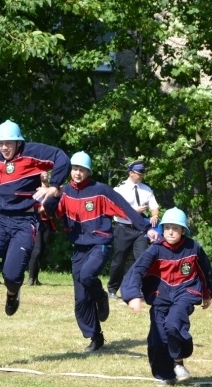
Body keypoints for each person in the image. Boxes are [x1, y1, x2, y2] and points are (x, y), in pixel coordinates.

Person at [0, 120, 70, 335]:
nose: (4, 147)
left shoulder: (33, 152)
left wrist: (53, 185)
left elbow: (62, 158)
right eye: (0, 143)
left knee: (12, 274)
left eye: (9, 143)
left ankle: (13, 293)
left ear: (18, 142)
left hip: (24, 221)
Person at [53, 151, 158, 352]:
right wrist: (50, 194)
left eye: (82, 169)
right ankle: (95, 337)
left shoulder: (100, 190)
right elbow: (52, 213)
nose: (77, 173)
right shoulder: (64, 191)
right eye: (74, 169)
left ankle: (101, 297)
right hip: (79, 247)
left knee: (87, 275)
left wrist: (146, 227)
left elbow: (124, 209)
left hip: (99, 243)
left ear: (88, 171)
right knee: (81, 298)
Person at [121, 208, 212, 384]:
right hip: (160, 296)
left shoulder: (193, 247)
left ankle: (178, 362)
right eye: (168, 227)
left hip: (185, 293)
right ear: (163, 229)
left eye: (176, 228)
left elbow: (205, 271)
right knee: (158, 338)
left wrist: (207, 294)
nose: (171, 231)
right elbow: (137, 270)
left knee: (173, 324)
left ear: (183, 230)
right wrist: (133, 294)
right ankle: (166, 375)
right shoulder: (155, 250)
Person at [106, 160, 160, 298]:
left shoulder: (146, 189)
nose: (141, 175)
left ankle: (138, 288)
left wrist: (154, 216)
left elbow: (154, 206)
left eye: (143, 173)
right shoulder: (119, 189)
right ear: (130, 173)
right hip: (123, 227)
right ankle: (112, 289)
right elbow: (113, 210)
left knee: (142, 258)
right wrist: (133, 211)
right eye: (139, 173)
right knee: (119, 260)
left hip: (140, 229)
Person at [27, 173, 56, 286]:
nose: (45, 174)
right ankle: (30, 278)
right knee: (37, 250)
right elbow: (28, 208)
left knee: (42, 250)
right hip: (37, 222)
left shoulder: (53, 190)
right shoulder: (34, 190)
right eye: (42, 172)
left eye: (47, 172)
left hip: (47, 222)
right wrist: (43, 208)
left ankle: (36, 278)